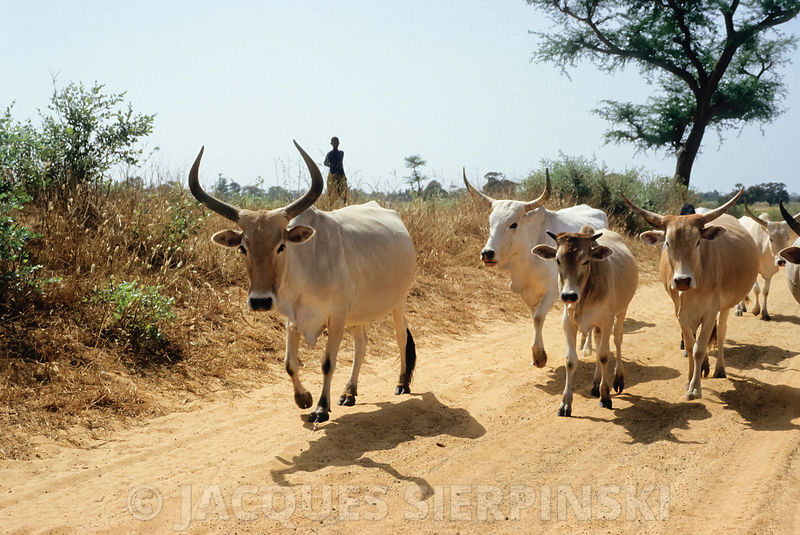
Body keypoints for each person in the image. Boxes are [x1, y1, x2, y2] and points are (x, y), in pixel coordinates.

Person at [323, 136, 348, 205]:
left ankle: (344, 204)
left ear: (339, 143)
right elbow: (325, 163)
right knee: (332, 192)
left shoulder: (341, 153)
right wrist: (331, 166)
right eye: (334, 142)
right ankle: (332, 205)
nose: (335, 144)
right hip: (332, 174)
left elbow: (340, 161)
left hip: (341, 173)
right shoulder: (329, 154)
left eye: (336, 142)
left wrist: (334, 165)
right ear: (331, 144)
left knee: (343, 191)